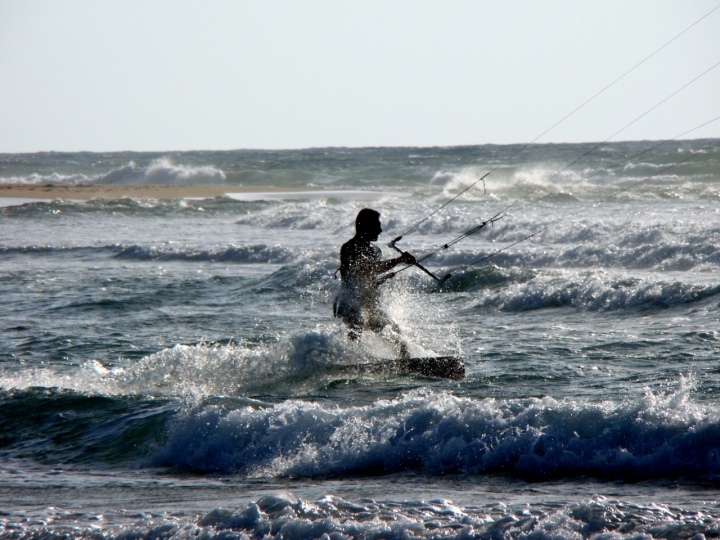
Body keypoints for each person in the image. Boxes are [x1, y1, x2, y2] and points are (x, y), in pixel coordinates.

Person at [334, 208, 416, 358]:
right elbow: (367, 270)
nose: (380, 229)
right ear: (363, 225)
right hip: (350, 303)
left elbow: (369, 277)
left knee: (397, 336)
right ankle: (345, 363)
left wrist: (383, 278)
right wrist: (399, 260)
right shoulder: (349, 247)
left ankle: (407, 363)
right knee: (355, 331)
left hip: (369, 304)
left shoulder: (374, 251)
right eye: (376, 225)